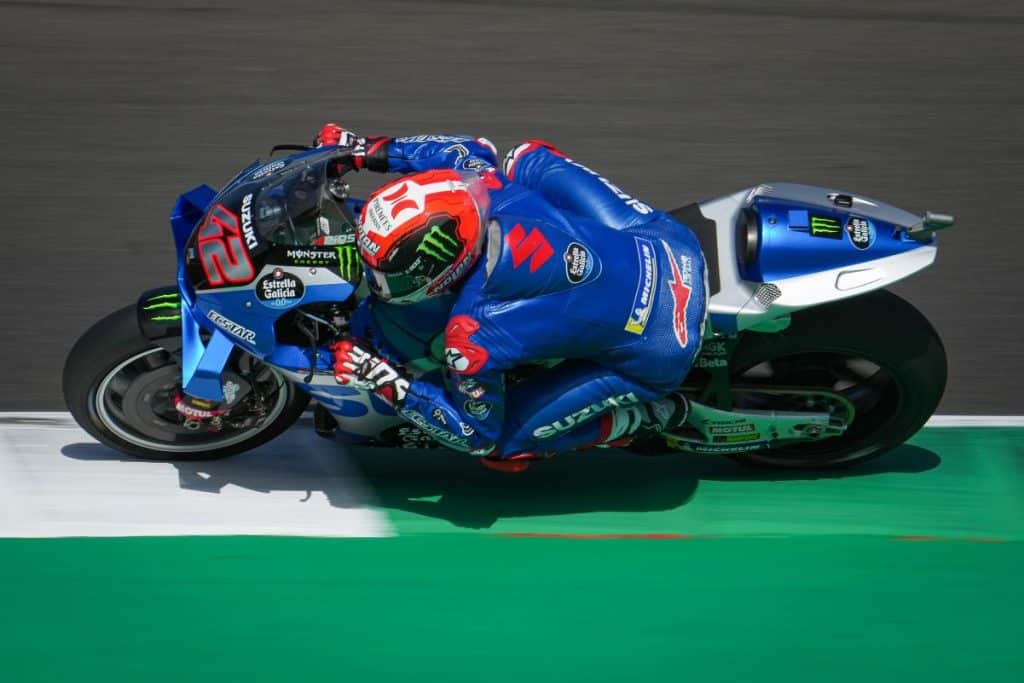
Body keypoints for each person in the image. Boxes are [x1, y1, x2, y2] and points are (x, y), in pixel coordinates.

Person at [318, 123, 707, 471]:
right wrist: (363, 150)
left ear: (441, 267)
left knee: (502, 446)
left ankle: (648, 416)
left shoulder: (470, 335)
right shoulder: (482, 181)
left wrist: (382, 378)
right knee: (526, 156)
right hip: (670, 245)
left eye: (387, 274)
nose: (377, 279)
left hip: (660, 345)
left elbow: (473, 434)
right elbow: (464, 148)